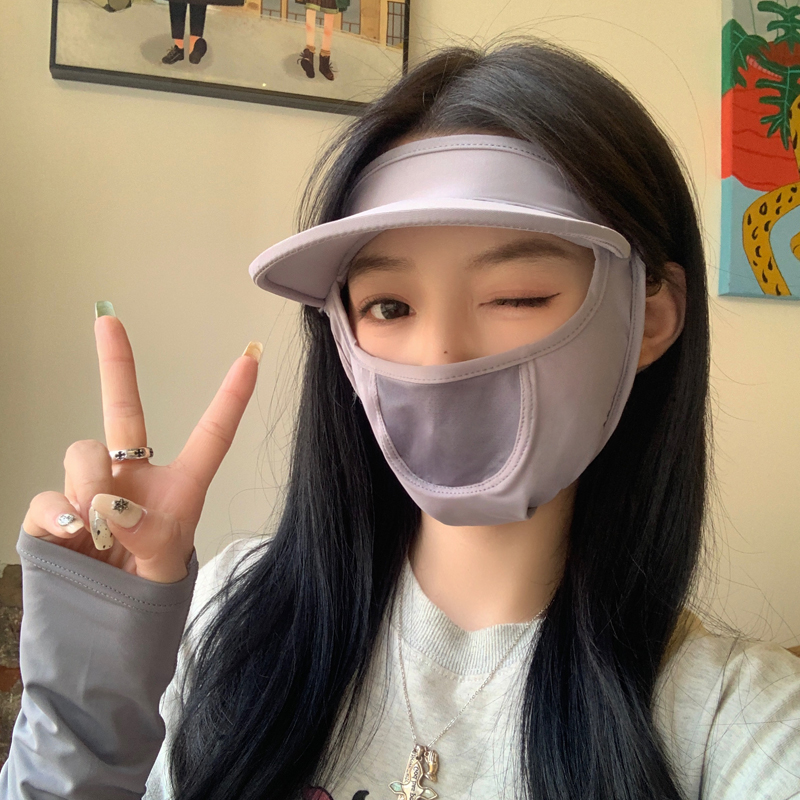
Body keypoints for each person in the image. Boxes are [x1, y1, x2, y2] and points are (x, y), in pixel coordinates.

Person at [3, 36, 800, 800]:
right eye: (388, 306)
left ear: (649, 318)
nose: (440, 356)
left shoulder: (736, 719)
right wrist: (87, 714)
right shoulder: (228, 610)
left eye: (517, 297)